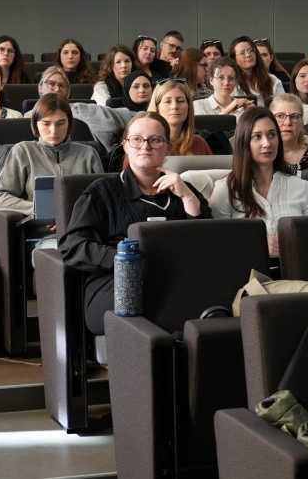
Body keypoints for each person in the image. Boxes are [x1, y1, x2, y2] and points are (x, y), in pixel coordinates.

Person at [59, 112, 209, 336]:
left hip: (175, 281)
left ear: (167, 148)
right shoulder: (102, 192)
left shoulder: (183, 190)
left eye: (155, 140)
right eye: (137, 139)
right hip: (114, 284)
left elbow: (208, 244)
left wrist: (188, 198)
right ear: (125, 146)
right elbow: (72, 246)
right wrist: (124, 260)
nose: (145, 146)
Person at [209, 107, 308, 255]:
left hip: (295, 271)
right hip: (246, 273)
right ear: (244, 142)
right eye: (257, 137)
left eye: (272, 135)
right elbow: (217, 246)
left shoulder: (301, 186)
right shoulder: (225, 190)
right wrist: (258, 246)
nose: (267, 143)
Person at [0, 94, 103, 216]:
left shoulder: (88, 153)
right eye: (46, 124)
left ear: (69, 124)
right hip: (39, 228)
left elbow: (103, 199)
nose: (54, 131)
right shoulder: (23, 151)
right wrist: (39, 210)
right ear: (36, 124)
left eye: (60, 123)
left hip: (81, 225)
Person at [148, 80, 212, 155]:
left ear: (188, 107)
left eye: (180, 101)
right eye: (168, 101)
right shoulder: (144, 143)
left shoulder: (199, 143)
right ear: (157, 108)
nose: (174, 106)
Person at [230, 36, 284, 106]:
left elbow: (284, 106)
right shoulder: (230, 81)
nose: (248, 55)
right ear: (234, 59)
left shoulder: (273, 80)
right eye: (242, 53)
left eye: (251, 51)